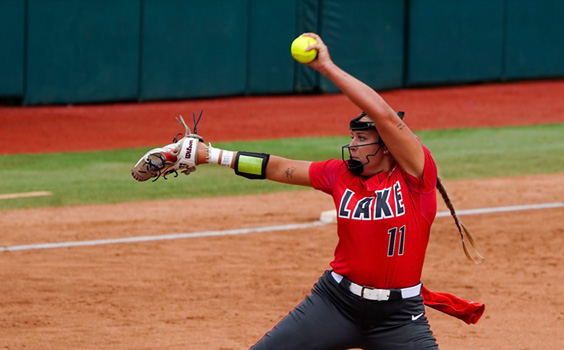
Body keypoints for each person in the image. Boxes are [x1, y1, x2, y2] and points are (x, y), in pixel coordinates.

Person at [141, 33, 484, 349]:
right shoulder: (339, 175)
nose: (352, 145)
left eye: (362, 139)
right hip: (335, 304)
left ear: (388, 147)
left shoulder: (415, 177)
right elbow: (275, 167)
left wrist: (325, 67)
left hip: (399, 318)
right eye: (352, 137)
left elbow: (385, 116)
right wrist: (210, 155)